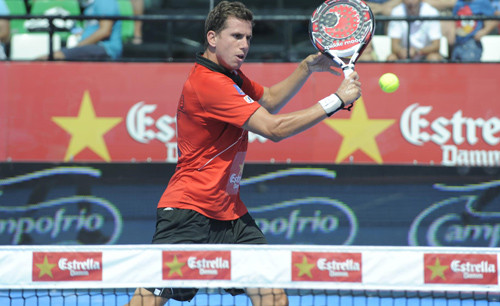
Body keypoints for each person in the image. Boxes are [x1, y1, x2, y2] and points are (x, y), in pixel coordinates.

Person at [126, 1, 362, 306]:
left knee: (273, 298)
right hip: (187, 213)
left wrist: (306, 67)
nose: (245, 45)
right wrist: (337, 100)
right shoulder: (209, 83)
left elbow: (272, 100)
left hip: (231, 215)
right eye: (236, 36)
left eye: (248, 38)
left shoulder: (230, 77)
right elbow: (274, 128)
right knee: (146, 303)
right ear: (212, 38)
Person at [38, 0, 122, 61]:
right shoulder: (89, 5)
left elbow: (105, 31)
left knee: (54, 57)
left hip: (104, 48)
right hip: (91, 47)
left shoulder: (104, 2)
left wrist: (78, 46)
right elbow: (93, 28)